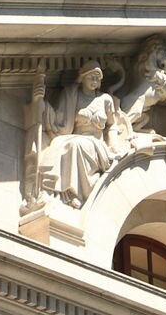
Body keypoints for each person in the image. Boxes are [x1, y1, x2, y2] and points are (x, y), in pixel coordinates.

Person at [36, 61, 131, 209]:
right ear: (82, 78)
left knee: (76, 145)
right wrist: (41, 103)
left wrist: (113, 145)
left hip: (97, 144)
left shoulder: (105, 99)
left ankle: (78, 192)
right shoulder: (71, 95)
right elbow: (58, 118)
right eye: (91, 77)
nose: (94, 81)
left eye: (97, 78)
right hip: (75, 137)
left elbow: (112, 125)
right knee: (60, 145)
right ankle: (68, 192)